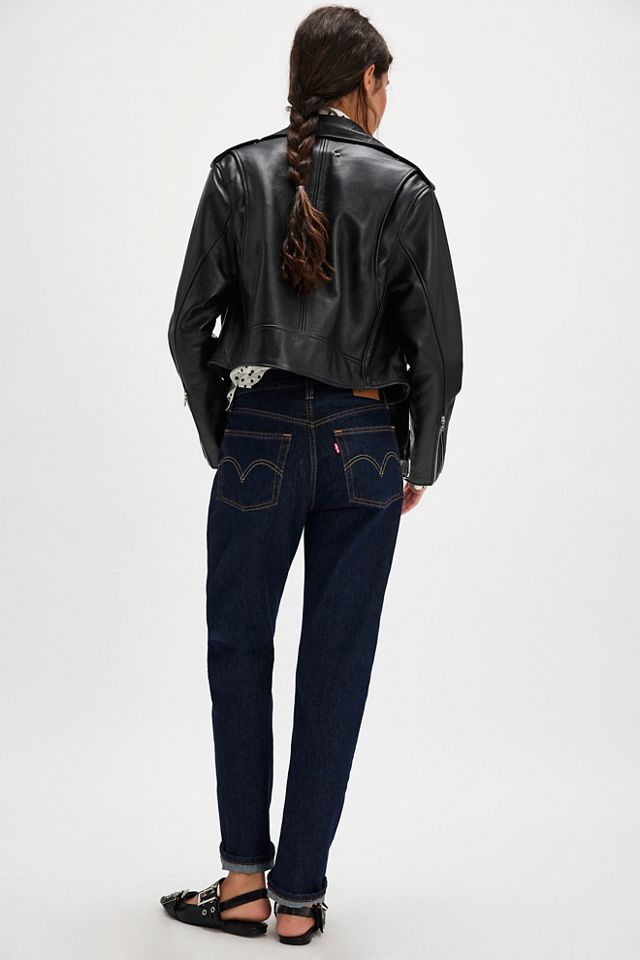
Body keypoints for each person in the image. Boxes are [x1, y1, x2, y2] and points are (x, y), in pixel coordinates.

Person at [160, 4, 463, 946]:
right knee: (337, 662)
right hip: (365, 441)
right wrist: (418, 457)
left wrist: (228, 435)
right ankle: (299, 901)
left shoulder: (234, 174)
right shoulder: (405, 188)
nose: (387, 97)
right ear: (366, 80)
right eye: (386, 80)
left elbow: (187, 329)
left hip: (258, 432)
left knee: (238, 649)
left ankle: (242, 886)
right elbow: (437, 352)